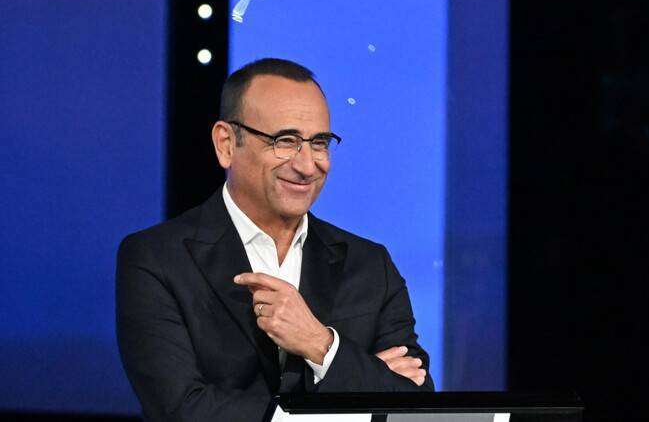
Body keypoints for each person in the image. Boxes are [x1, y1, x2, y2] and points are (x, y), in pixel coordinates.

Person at [116, 58, 433, 421]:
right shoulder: (157, 259)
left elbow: (413, 408)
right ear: (226, 144)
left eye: (319, 143)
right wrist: (355, 389)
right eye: (285, 141)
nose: (307, 165)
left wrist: (321, 345)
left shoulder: (370, 265)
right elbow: (182, 411)